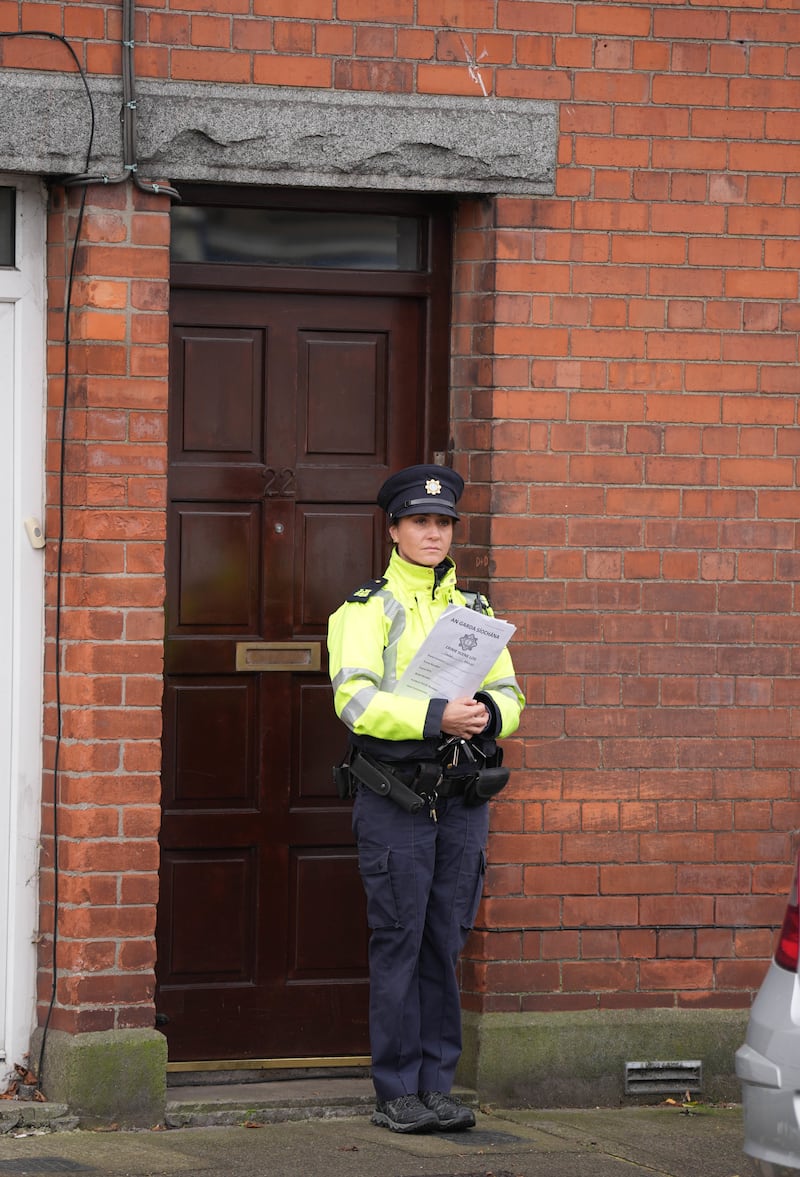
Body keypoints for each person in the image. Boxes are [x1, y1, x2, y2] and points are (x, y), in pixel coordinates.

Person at [327, 464, 524, 1135]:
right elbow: (353, 702)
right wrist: (435, 715)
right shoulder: (363, 609)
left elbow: (513, 694)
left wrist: (487, 716)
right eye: (420, 521)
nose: (433, 532)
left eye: (442, 523)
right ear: (394, 529)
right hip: (397, 800)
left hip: (462, 797)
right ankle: (395, 1090)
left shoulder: (476, 611)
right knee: (400, 942)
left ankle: (437, 1085)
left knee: (445, 941)